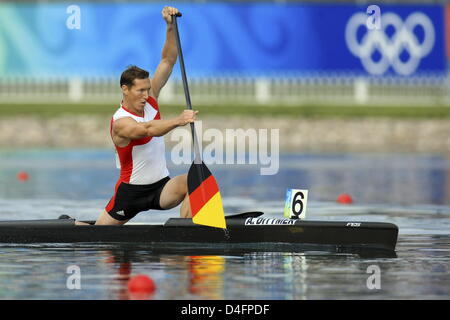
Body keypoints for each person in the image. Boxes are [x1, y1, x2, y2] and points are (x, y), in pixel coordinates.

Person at [95, 6, 197, 225]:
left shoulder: (150, 100)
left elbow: (168, 61)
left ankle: (187, 231)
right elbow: (147, 129)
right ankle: (73, 225)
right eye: (140, 90)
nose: (146, 94)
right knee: (97, 236)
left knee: (194, 181)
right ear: (125, 89)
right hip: (130, 194)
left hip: (160, 187)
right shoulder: (120, 122)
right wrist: (179, 120)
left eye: (147, 89)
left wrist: (170, 26)